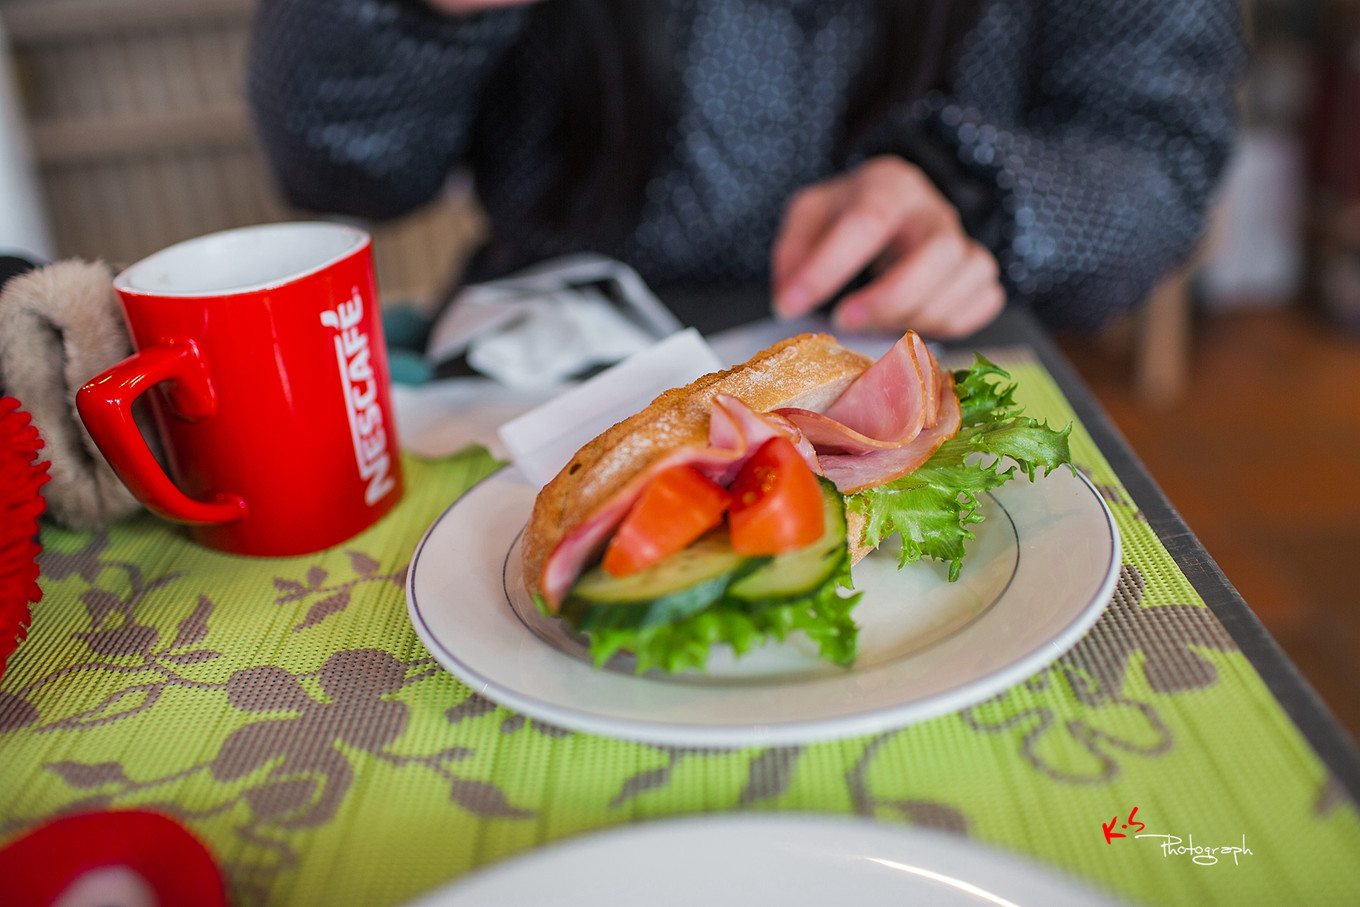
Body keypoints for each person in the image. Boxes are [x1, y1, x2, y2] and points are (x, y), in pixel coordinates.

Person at [247, 0, 1246, 338]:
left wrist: (977, 197)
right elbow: (335, 173)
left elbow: (1162, 154)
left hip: (929, 364)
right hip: (541, 365)